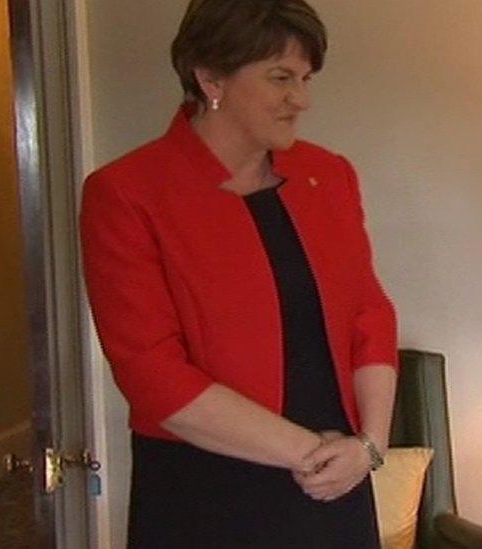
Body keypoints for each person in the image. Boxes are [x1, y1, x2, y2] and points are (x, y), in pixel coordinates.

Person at [80, 1, 397, 547]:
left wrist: (368, 446)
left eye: (304, 78)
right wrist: (314, 454)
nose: (301, 99)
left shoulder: (330, 174)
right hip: (207, 489)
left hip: (336, 480)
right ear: (210, 77)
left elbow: (370, 314)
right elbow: (149, 370)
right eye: (280, 78)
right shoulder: (127, 192)